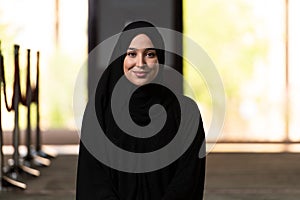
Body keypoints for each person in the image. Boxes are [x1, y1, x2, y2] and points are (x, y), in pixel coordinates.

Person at [76, 21, 206, 200]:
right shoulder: (100, 111)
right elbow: (93, 181)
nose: (140, 63)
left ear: (160, 59)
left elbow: (187, 180)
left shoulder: (185, 113)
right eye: (131, 54)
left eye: (150, 54)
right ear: (120, 58)